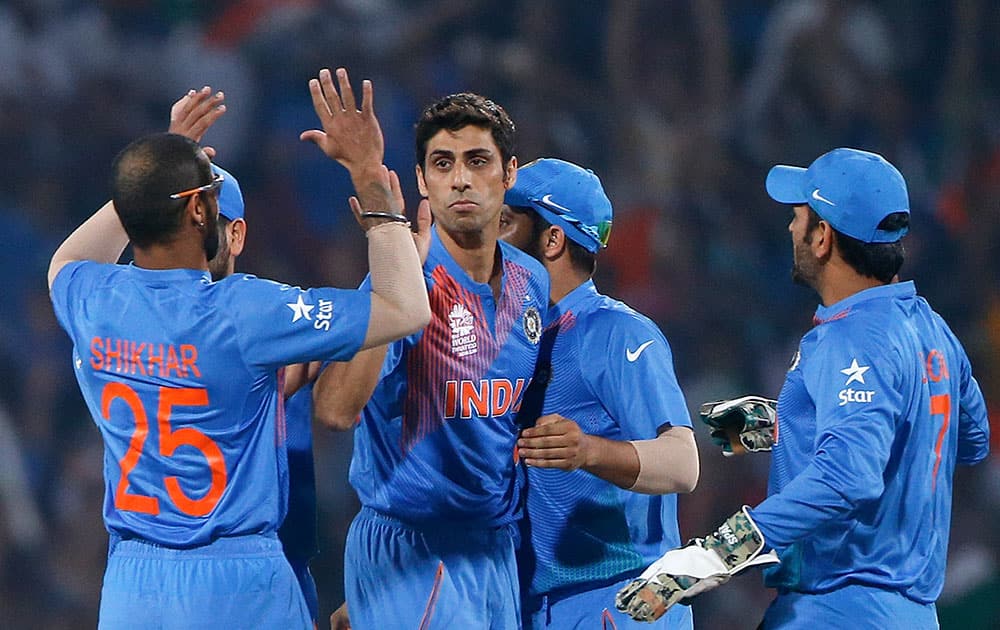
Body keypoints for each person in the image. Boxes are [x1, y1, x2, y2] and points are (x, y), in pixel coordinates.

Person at [46, 68, 431, 628]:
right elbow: (405, 310)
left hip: (133, 588)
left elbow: (65, 260)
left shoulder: (91, 297)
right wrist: (371, 179)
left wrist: (161, 165)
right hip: (236, 582)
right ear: (201, 213)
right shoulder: (246, 311)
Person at [615, 148, 991, 628]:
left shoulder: (850, 336)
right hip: (911, 613)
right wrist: (794, 422)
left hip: (835, 607)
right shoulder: (932, 329)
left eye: (798, 217)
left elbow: (847, 476)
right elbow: (966, 437)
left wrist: (715, 556)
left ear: (823, 236)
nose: (791, 229)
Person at [309, 72, 550, 629]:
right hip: (412, 549)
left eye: (477, 161)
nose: (460, 179)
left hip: (494, 552)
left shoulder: (531, 283)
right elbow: (334, 409)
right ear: (421, 180)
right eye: (443, 164)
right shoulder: (403, 283)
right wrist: (397, 289)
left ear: (509, 173)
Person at [498, 158, 699, 629]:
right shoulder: (508, 340)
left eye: (506, 223)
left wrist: (588, 449)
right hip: (533, 608)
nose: (490, 240)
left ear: (552, 239)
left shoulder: (616, 332)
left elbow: (682, 463)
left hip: (621, 600)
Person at [170, 87, 325, 625]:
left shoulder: (281, 315)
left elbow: (341, 397)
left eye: (204, 216)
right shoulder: (147, 318)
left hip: (281, 562)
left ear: (235, 232)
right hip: (176, 562)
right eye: (183, 215)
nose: (193, 228)